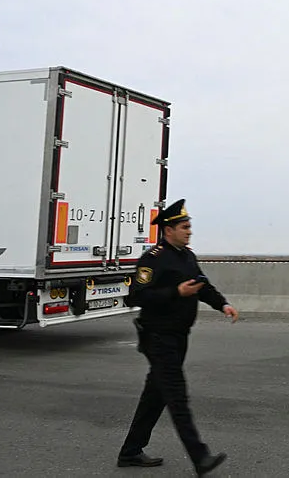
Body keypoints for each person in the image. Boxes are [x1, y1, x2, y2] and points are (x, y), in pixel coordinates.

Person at [117, 199, 238, 476]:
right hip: (158, 337)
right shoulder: (153, 259)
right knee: (177, 397)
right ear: (168, 230)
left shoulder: (187, 256)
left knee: (155, 396)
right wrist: (175, 293)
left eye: (190, 226)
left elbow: (202, 286)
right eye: (184, 227)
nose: (189, 231)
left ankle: (131, 451)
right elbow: (135, 296)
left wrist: (222, 304)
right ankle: (200, 457)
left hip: (178, 336)